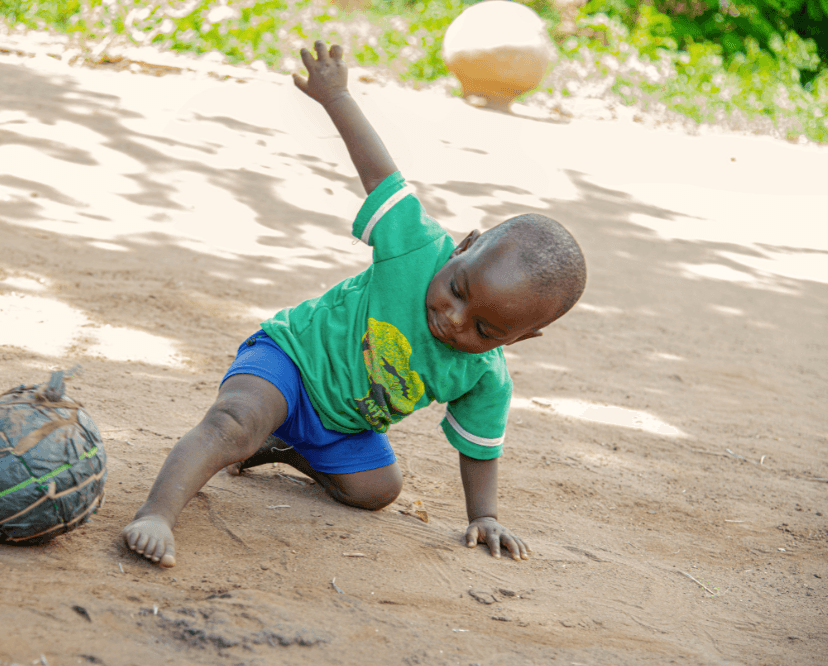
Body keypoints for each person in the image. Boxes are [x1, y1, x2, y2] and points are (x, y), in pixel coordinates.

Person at [123, 41, 586, 569]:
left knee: (376, 490)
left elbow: (480, 449)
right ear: (462, 247)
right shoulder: (415, 246)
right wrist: (336, 96)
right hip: (289, 362)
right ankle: (157, 512)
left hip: (342, 423)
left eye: (485, 330)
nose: (455, 321)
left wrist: (483, 515)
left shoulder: (484, 377)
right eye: (458, 290)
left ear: (519, 339)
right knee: (232, 423)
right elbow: (381, 174)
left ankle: (283, 447)